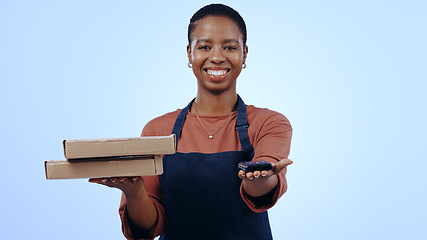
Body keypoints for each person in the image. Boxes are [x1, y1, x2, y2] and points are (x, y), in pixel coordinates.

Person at [89, 3, 293, 240]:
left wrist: (260, 177)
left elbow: (261, 189)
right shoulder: (158, 130)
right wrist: (135, 193)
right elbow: (147, 228)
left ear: (244, 53)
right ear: (189, 53)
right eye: (204, 46)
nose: (216, 57)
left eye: (229, 47)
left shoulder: (269, 123)